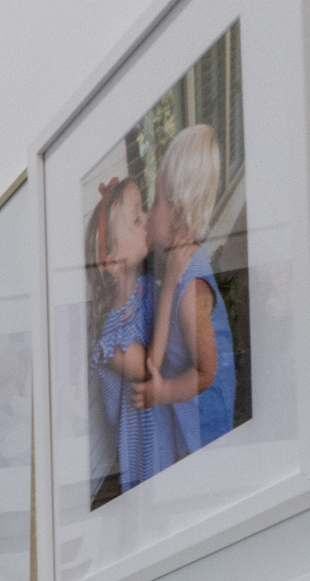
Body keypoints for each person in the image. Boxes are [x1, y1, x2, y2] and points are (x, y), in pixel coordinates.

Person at [132, 123, 236, 472]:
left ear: (178, 211)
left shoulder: (190, 294)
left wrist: (163, 393)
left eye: (156, 201)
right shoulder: (177, 272)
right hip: (187, 415)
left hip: (204, 428)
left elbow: (206, 373)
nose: (148, 215)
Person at [87, 174, 163, 499]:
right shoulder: (111, 340)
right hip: (144, 453)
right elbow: (149, 366)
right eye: (137, 218)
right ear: (114, 263)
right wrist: (173, 287)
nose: (146, 218)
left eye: (143, 210)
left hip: (164, 425)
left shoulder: (145, 286)